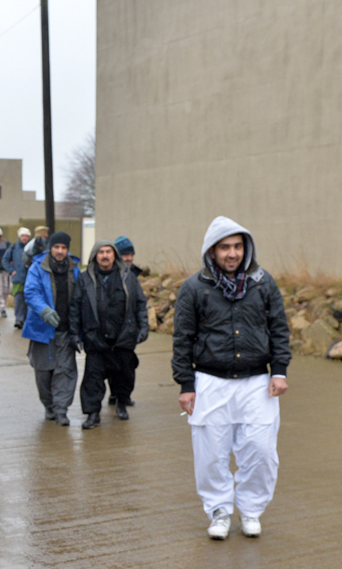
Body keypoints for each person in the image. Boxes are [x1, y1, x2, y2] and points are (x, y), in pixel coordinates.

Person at [172, 216, 290, 540]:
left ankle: (251, 510)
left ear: (246, 248)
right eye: (225, 247)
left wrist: (279, 370)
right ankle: (219, 511)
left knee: (261, 450)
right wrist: (185, 385)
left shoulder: (263, 284)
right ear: (212, 251)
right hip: (211, 381)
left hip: (256, 381)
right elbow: (183, 337)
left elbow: (279, 329)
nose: (232, 253)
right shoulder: (194, 288)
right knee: (211, 454)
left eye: (238, 246)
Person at [69, 240, 148, 430]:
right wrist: (74, 333)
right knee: (92, 379)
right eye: (101, 252)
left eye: (108, 252)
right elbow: (75, 307)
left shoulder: (128, 277)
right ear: (95, 256)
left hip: (123, 338)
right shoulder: (85, 278)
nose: (105, 255)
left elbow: (140, 303)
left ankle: (121, 403)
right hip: (96, 338)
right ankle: (92, 413)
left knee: (124, 376)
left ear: (115, 255)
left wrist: (143, 327)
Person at [23, 231, 80, 426]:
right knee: (43, 373)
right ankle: (49, 405)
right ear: (51, 248)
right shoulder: (38, 267)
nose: (60, 251)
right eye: (56, 247)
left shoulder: (74, 269)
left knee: (65, 371)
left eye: (64, 248)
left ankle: (61, 409)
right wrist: (44, 310)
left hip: (66, 331)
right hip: (42, 330)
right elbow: (30, 292)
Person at [109, 235, 142, 406]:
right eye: (125, 254)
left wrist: (141, 326)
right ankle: (116, 394)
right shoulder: (108, 274)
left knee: (128, 366)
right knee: (113, 366)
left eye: (131, 254)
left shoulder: (133, 275)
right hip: (111, 331)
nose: (129, 258)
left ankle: (124, 395)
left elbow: (140, 303)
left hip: (128, 332)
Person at [3, 227, 32, 329]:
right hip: (18, 279)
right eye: (23, 236)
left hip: (30, 279)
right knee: (19, 300)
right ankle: (19, 319)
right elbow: (5, 260)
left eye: (26, 236)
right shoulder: (14, 247)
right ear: (20, 237)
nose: (25, 238)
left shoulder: (32, 248)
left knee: (29, 300)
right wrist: (12, 271)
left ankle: (28, 320)